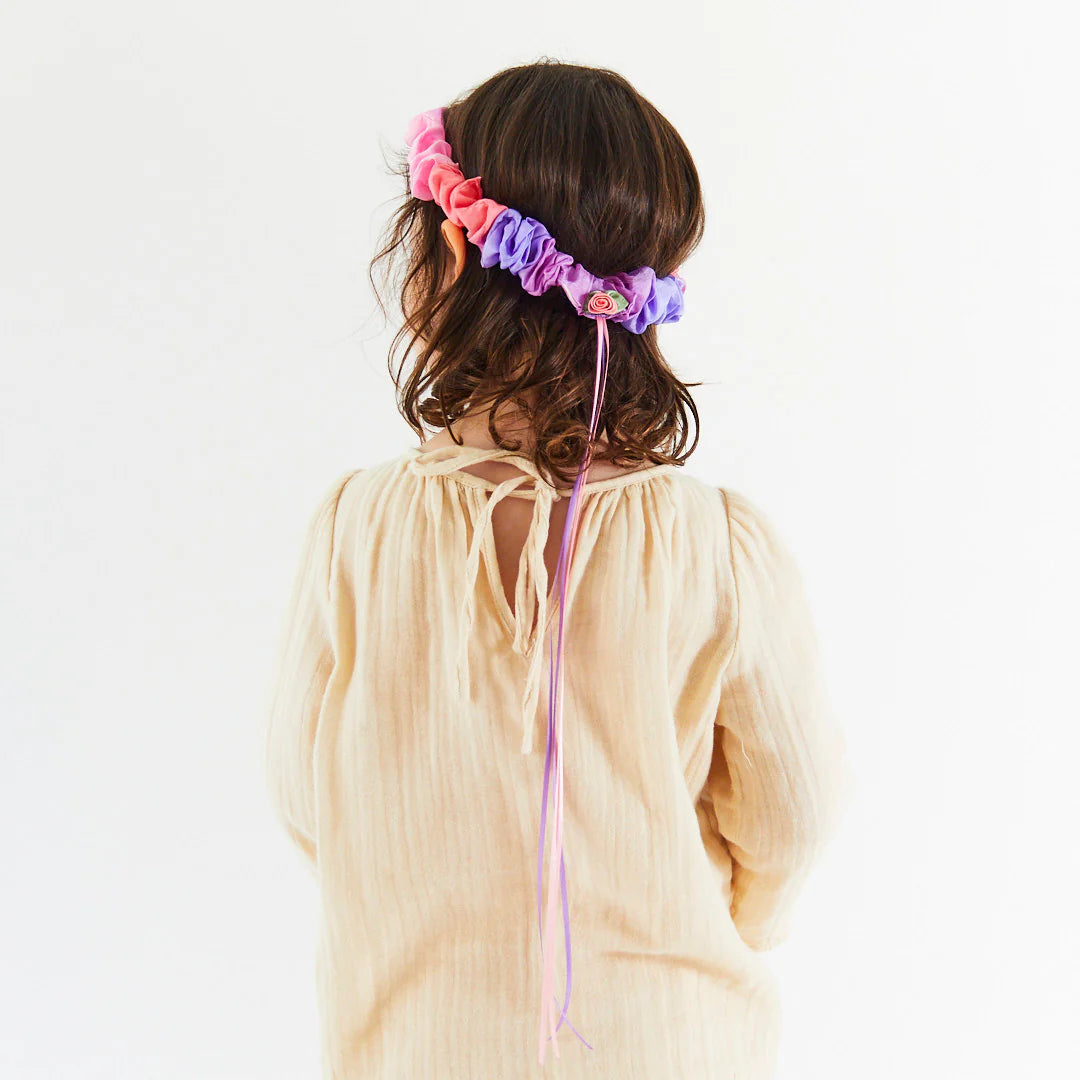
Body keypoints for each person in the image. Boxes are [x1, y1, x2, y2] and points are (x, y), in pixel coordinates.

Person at [264, 59, 853, 1080]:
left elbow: (303, 792)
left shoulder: (356, 531)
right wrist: (734, 923)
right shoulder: (719, 548)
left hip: (417, 1046)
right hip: (673, 1045)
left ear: (445, 252)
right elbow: (793, 810)